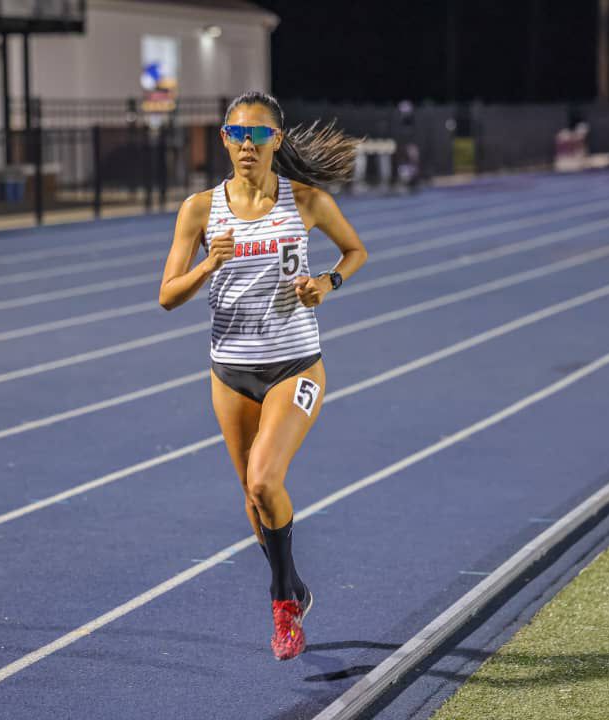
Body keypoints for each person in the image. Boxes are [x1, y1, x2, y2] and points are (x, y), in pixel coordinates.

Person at [158, 91, 368, 660]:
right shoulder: (200, 210)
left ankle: (281, 606)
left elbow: (353, 252)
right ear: (224, 139)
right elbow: (167, 297)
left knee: (263, 482)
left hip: (294, 363)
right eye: (235, 134)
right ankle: (296, 587)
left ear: (277, 140)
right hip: (230, 374)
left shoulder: (305, 201)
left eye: (257, 135)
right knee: (253, 504)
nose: (246, 145)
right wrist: (208, 263)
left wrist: (328, 283)